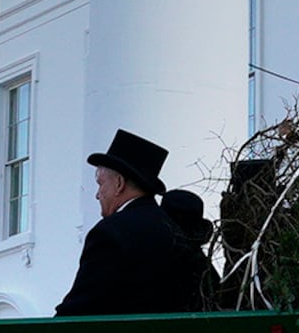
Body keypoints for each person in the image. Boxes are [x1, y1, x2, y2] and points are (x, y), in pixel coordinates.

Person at [55, 131, 211, 317]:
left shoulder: (111, 233)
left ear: (119, 183)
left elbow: (80, 308)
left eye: (100, 184)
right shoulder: (176, 229)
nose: (97, 195)